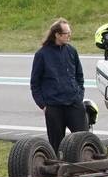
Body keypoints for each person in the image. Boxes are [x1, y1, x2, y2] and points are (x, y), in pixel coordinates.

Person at [30, 18, 87, 151]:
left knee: (84, 140)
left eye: (69, 32)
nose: (69, 35)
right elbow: (35, 83)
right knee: (56, 146)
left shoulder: (72, 51)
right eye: (67, 33)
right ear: (57, 34)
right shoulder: (41, 55)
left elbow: (79, 76)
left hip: (74, 103)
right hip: (54, 106)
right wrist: (43, 105)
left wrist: (79, 95)